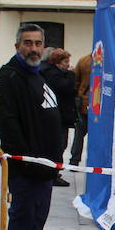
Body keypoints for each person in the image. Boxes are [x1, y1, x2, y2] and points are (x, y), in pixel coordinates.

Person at [0, 22, 64, 230]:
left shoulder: (39, 75)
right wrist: (25, 158)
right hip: (26, 165)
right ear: (17, 46)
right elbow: (9, 123)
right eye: (28, 43)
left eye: (37, 43)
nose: (33, 48)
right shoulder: (10, 76)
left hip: (46, 165)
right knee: (23, 214)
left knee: (39, 215)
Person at [41, 48, 79, 187]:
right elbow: (67, 88)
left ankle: (54, 171)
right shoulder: (53, 75)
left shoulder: (50, 72)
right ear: (57, 62)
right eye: (66, 61)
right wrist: (71, 74)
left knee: (60, 144)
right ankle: (53, 174)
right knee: (58, 145)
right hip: (58, 116)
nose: (68, 64)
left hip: (59, 115)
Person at [71, 50, 92, 166]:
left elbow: (75, 79)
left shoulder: (83, 60)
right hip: (98, 104)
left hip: (83, 101)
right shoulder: (105, 62)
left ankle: (74, 161)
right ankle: (94, 161)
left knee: (79, 135)